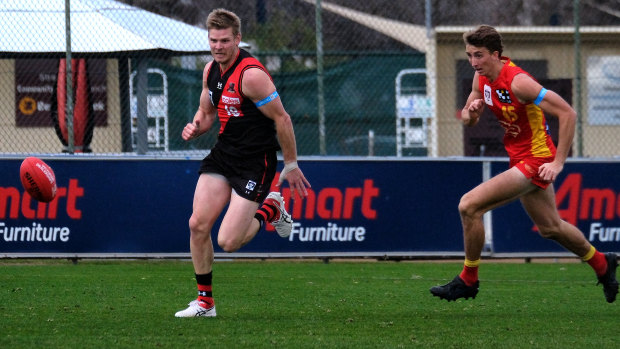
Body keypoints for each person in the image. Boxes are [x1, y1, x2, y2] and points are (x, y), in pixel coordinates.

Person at [430, 25, 618, 303]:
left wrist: (558, 163)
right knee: (550, 228)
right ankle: (603, 263)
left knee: (469, 205)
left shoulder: (518, 81)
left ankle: (468, 280)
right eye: (470, 55)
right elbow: (469, 119)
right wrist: (471, 113)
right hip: (520, 157)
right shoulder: (480, 78)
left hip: (537, 159)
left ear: (496, 54)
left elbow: (568, 113)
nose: (473, 62)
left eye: (479, 55)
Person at [175, 8, 311, 317]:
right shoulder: (210, 70)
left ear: (238, 39)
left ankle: (271, 210)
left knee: (229, 241)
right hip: (224, 154)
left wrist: (291, 165)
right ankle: (205, 304)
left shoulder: (251, 75)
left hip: (256, 162)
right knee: (197, 225)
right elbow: (207, 113)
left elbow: (283, 118)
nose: (218, 46)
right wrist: (195, 127)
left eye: (225, 40)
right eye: (213, 40)